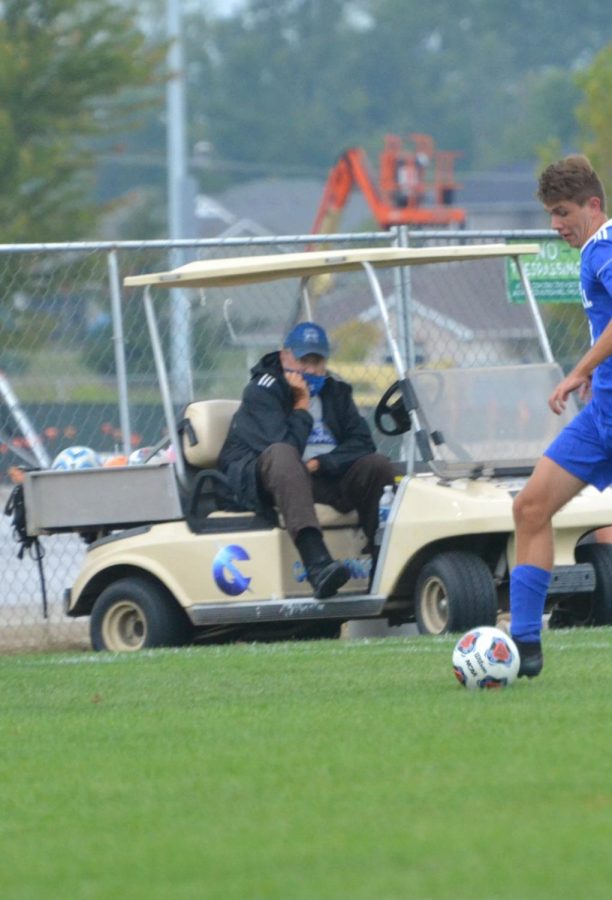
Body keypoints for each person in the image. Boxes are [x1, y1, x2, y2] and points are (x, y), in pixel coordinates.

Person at [511, 155, 612, 677]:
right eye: (551, 214)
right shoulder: (594, 250)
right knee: (530, 508)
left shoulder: (605, 248)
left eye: (563, 211)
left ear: (593, 205)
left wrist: (578, 371)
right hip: (601, 418)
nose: (556, 225)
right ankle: (522, 648)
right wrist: (598, 373)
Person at [218, 321, 396, 599]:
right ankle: (317, 564)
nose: (312, 370)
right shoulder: (262, 392)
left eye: (318, 361)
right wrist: (301, 404)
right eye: (304, 361)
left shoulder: (335, 391)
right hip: (269, 483)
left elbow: (362, 443)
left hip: (321, 475)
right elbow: (284, 448)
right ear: (285, 356)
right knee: (283, 456)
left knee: (378, 465)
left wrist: (322, 464)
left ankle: (383, 562)